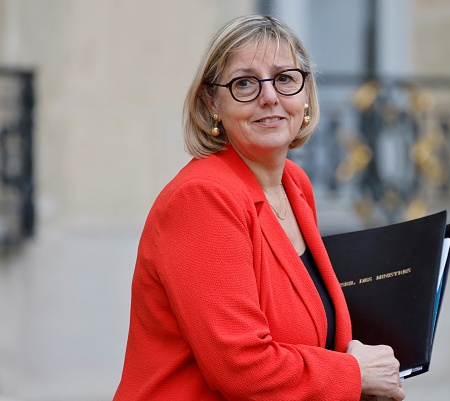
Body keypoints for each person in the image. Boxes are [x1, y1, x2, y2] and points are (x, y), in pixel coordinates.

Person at [113, 14, 405, 401]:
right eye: (244, 83)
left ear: (305, 94)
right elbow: (242, 367)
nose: (269, 96)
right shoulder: (201, 198)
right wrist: (353, 374)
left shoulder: (295, 185)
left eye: (285, 78)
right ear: (211, 101)